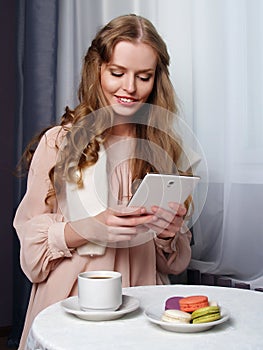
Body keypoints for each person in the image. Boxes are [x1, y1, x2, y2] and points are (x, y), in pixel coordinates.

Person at [14, 14, 199, 349]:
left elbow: (170, 262)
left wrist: (169, 234)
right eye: (117, 73)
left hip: (143, 302)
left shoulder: (164, 149)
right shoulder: (59, 143)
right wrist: (87, 228)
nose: (129, 87)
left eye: (144, 77)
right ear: (96, 69)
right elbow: (30, 249)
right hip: (69, 303)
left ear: (156, 80)